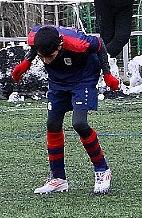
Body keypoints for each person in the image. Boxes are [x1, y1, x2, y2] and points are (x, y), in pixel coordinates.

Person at [12, 25, 120, 194]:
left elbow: (99, 44)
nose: (46, 60)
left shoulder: (78, 42)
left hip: (83, 78)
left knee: (79, 124)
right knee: (52, 125)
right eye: (42, 57)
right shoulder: (35, 37)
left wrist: (107, 74)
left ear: (60, 46)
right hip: (58, 81)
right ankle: (58, 179)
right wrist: (27, 61)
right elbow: (35, 47)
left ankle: (102, 170)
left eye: (50, 56)